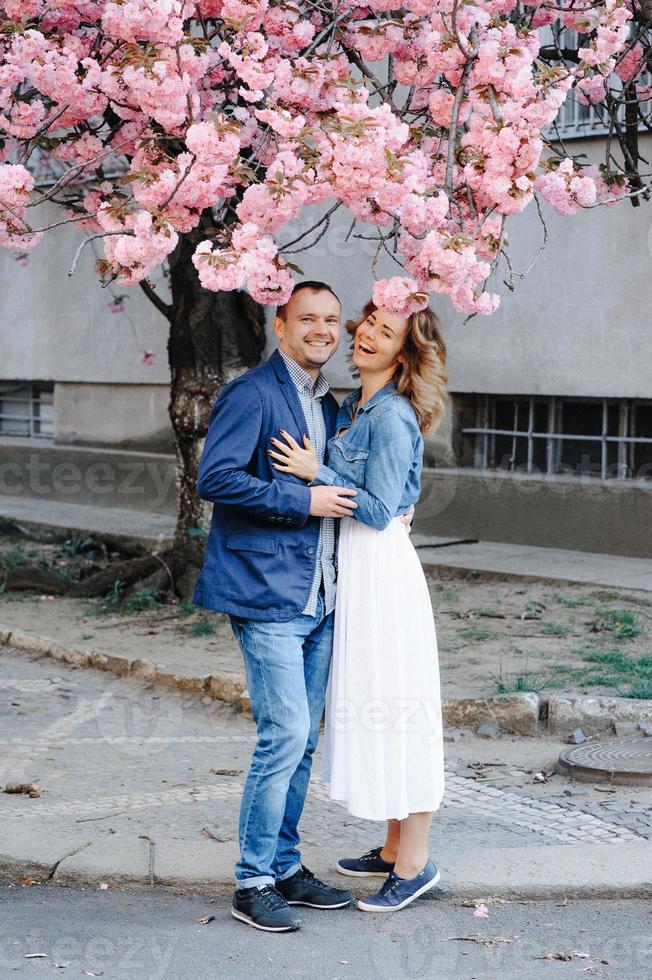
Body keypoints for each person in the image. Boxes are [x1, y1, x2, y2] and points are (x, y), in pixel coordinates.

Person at [192, 281, 413, 932]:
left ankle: (286, 866)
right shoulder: (253, 393)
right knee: (283, 735)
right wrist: (302, 501)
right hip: (265, 593)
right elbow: (217, 478)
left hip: (323, 594)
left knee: (303, 740)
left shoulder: (335, 404)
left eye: (330, 320)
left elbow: (347, 481)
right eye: (306, 319)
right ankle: (253, 880)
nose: (322, 328)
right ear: (280, 327)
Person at [268, 298, 449, 912]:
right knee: (376, 703)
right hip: (359, 573)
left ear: (405, 351)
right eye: (367, 324)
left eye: (386, 330)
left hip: (384, 573)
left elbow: (379, 509)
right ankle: (395, 846)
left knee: (401, 708)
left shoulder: (392, 417)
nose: (367, 335)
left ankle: (417, 862)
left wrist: (317, 471)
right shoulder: (354, 406)